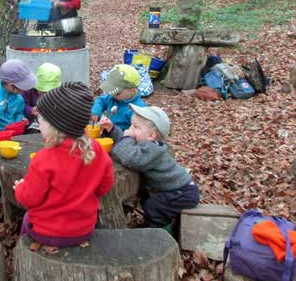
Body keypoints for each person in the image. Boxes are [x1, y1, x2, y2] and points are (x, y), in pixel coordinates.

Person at [13, 82, 114, 250]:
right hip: (84, 229)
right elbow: (106, 184)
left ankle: (22, 250)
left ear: (56, 127)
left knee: (27, 218)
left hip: (47, 232)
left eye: (41, 120)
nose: (38, 122)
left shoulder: (44, 159)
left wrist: (20, 189)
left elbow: (30, 199)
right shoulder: (95, 149)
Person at [99, 105, 199, 229]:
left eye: (135, 127)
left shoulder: (154, 149)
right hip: (175, 190)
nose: (130, 129)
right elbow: (128, 145)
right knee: (149, 203)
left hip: (182, 193)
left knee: (153, 207)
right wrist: (112, 129)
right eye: (131, 125)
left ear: (151, 135)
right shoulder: (145, 143)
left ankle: (160, 233)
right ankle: (155, 224)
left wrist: (126, 138)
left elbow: (131, 157)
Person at [91, 64, 147, 131]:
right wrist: (96, 111)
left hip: (122, 138)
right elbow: (100, 100)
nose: (112, 95)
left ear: (132, 89)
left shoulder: (138, 109)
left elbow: (137, 132)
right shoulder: (113, 97)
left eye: (117, 93)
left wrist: (113, 130)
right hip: (107, 131)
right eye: (111, 91)